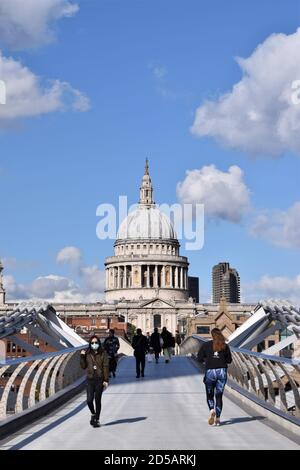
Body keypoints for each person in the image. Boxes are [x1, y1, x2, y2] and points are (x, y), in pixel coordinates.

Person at [197, 328, 232, 426]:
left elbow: (199, 358)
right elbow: (229, 360)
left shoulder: (206, 345)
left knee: (210, 394)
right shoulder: (225, 346)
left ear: (212, 335)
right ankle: (218, 419)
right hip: (222, 372)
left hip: (210, 372)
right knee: (219, 395)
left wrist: (207, 359)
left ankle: (212, 410)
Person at [80, 335, 109, 428]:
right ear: (90, 344)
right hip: (90, 379)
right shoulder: (87, 353)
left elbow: (105, 366)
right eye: (92, 343)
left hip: (99, 380)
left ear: (99, 343)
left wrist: (106, 380)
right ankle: (93, 413)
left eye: (96, 342)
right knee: (89, 400)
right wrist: (82, 357)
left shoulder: (103, 353)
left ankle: (97, 419)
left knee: (97, 400)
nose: (94, 344)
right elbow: (83, 366)